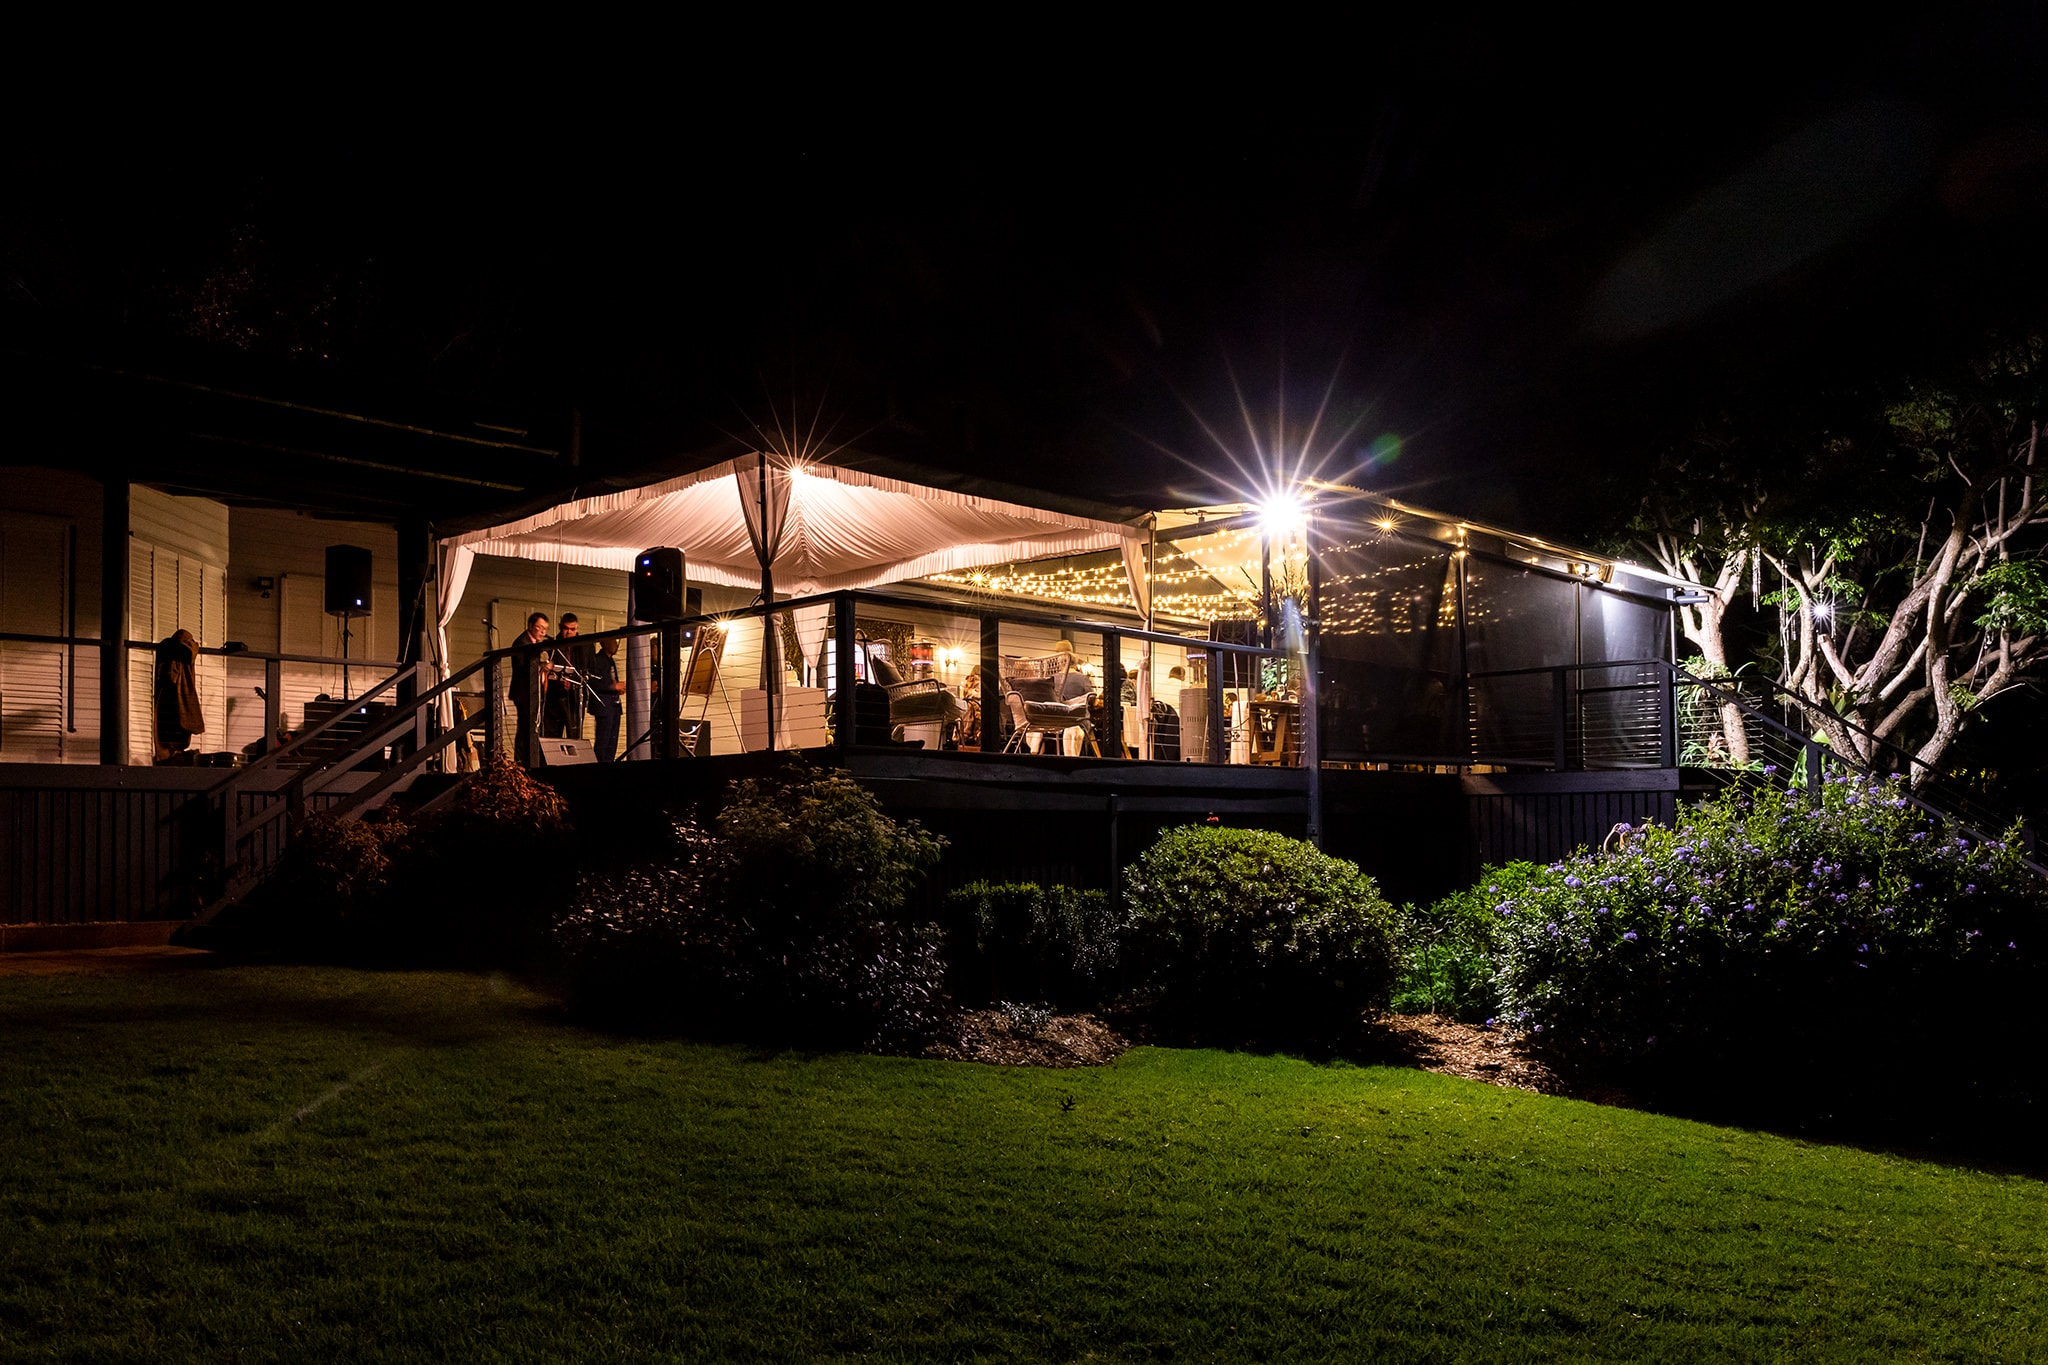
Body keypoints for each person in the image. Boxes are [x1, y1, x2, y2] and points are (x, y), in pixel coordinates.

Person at [153, 629, 206, 763]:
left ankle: (171, 753)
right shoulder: (171, 652)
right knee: (170, 723)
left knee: (170, 723)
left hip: (170, 698)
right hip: (170, 699)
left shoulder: (168, 650)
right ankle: (170, 754)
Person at [509, 611, 549, 765]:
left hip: (533, 691)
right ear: (530, 626)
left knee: (532, 726)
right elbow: (521, 666)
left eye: (545, 629)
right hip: (523, 692)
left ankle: (529, 759)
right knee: (525, 726)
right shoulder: (522, 642)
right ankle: (520, 761)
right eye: (539, 628)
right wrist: (542, 666)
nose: (543, 632)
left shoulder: (535, 644)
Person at [544, 614, 586, 739]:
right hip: (554, 698)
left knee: (575, 736)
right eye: (566, 629)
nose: (569, 632)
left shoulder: (584, 646)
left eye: (572, 629)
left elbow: (589, 669)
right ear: (560, 628)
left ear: (577, 629)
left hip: (575, 697)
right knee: (552, 737)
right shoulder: (551, 645)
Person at [587, 635, 624, 761]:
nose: (616, 645)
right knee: (603, 741)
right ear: (605, 643)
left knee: (612, 741)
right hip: (604, 707)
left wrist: (618, 688)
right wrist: (613, 686)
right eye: (613, 641)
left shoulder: (611, 660)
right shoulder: (597, 660)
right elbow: (593, 682)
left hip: (614, 706)